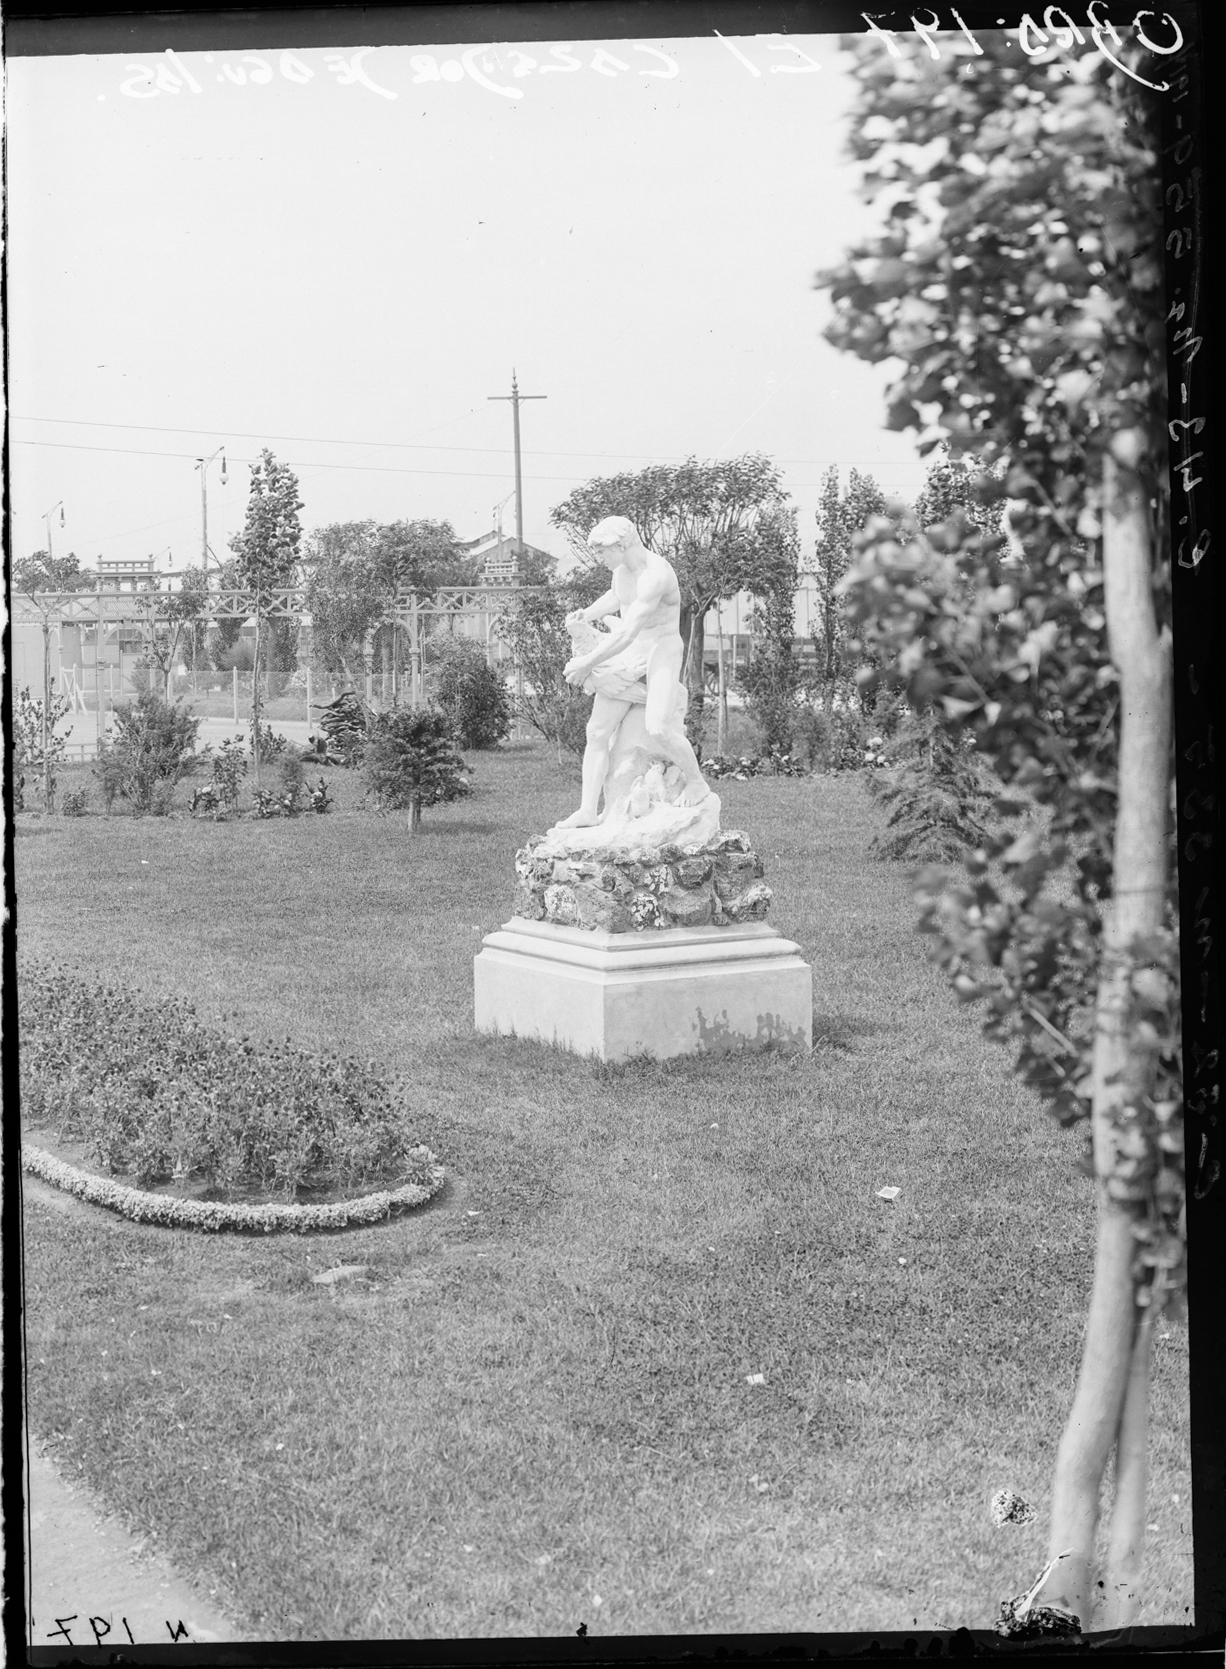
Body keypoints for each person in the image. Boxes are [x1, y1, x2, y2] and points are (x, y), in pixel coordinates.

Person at [556, 516, 711, 830]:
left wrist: (587, 663)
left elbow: (627, 632)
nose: (599, 558)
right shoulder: (621, 571)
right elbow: (618, 597)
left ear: (620, 545)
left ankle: (697, 782)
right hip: (632, 651)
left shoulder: (656, 574)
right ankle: (588, 810)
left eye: (602, 551)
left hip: (660, 651)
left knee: (658, 728)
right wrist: (587, 613)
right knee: (597, 732)